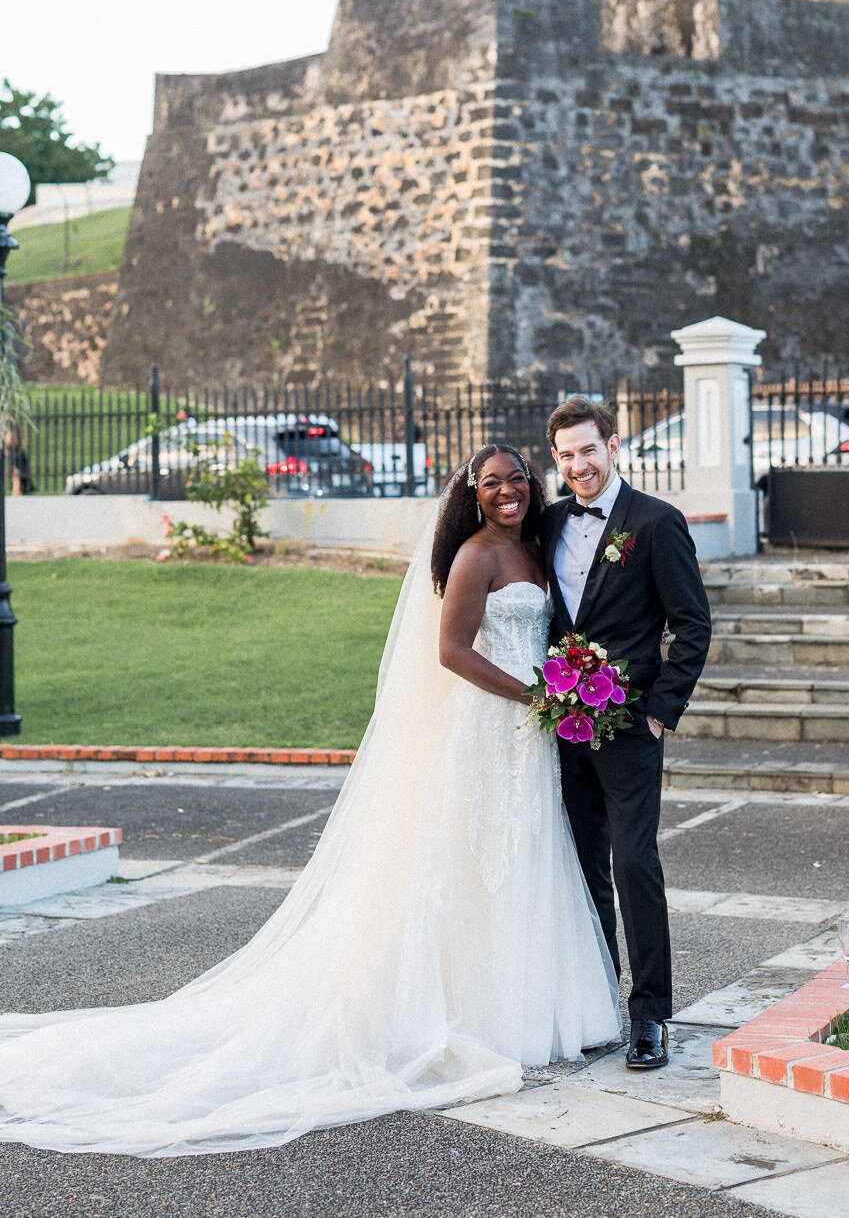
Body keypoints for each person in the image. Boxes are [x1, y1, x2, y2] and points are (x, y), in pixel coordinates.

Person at [0, 444, 619, 1158]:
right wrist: (531, 692)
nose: (507, 491)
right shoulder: (476, 555)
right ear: (472, 495)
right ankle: (464, 1012)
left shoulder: (537, 549)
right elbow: (451, 651)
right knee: (475, 860)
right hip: (486, 729)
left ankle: (524, 1010)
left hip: (529, 736)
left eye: (516, 479)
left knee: (524, 858)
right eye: (492, 483)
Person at [543, 396, 712, 1071]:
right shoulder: (549, 522)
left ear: (614, 447)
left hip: (630, 725)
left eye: (589, 450)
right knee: (582, 866)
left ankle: (649, 1016)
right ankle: (594, 1004)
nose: (579, 465)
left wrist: (658, 709)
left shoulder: (656, 522)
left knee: (634, 862)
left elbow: (692, 623)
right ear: (555, 459)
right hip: (563, 727)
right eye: (567, 455)